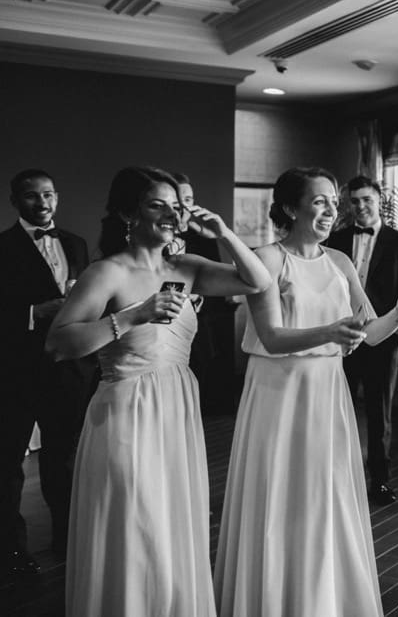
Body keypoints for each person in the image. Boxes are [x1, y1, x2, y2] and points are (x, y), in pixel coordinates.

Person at [45, 165, 271, 617]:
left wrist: (223, 233)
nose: (171, 214)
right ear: (128, 213)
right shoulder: (107, 272)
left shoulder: (187, 267)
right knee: (136, 520)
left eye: (176, 206)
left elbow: (257, 282)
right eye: (157, 205)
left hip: (177, 408)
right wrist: (132, 315)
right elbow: (58, 344)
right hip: (126, 410)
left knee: (170, 519)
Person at [213, 167, 398, 617]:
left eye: (334, 201)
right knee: (279, 492)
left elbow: (370, 333)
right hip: (279, 390)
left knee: (323, 492)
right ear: (290, 207)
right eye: (319, 201)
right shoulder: (268, 259)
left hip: (326, 391)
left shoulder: (340, 262)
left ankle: (321, 596)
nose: (332, 209)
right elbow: (272, 337)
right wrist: (330, 333)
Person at [0, 169, 94, 573]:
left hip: (67, 370)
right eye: (32, 196)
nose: (43, 203)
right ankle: (12, 551)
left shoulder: (76, 243)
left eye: (49, 194)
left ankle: (67, 541)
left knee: (63, 459)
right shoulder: (3, 247)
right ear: (14, 201)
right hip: (16, 371)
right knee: (8, 465)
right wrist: (34, 312)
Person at [324, 175, 398, 505]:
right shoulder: (335, 240)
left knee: (380, 415)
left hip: (385, 339)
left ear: (379, 200)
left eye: (367, 199)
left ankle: (379, 481)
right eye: (355, 201)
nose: (361, 206)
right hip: (342, 337)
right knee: (340, 409)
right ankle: (340, 477)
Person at [167, 171, 235, 413]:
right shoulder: (154, 237)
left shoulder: (203, 237)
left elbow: (218, 279)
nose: (185, 206)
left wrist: (199, 297)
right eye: (179, 200)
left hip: (198, 322)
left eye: (189, 199)